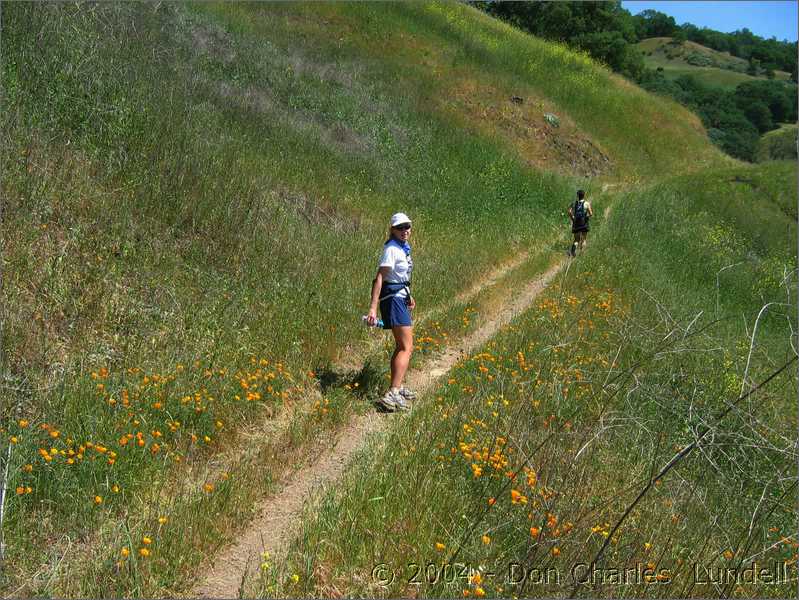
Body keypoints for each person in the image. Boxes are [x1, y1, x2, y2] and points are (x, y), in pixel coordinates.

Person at [366, 212, 416, 412]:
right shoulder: (392, 249)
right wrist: (372, 307)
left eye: (407, 226)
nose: (405, 230)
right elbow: (379, 278)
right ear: (392, 230)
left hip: (399, 297)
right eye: (400, 227)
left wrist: (408, 295)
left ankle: (397, 386)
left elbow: (400, 277)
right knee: (406, 346)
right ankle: (392, 392)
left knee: (401, 345)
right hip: (392, 300)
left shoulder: (403, 249)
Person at [568, 189, 593, 257]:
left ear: (577, 196)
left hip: (576, 222)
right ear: (584, 195)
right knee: (584, 239)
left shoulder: (574, 203)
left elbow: (569, 212)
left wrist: (573, 218)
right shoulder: (586, 203)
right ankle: (582, 254)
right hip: (584, 223)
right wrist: (586, 217)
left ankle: (573, 250)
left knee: (576, 239)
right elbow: (591, 214)